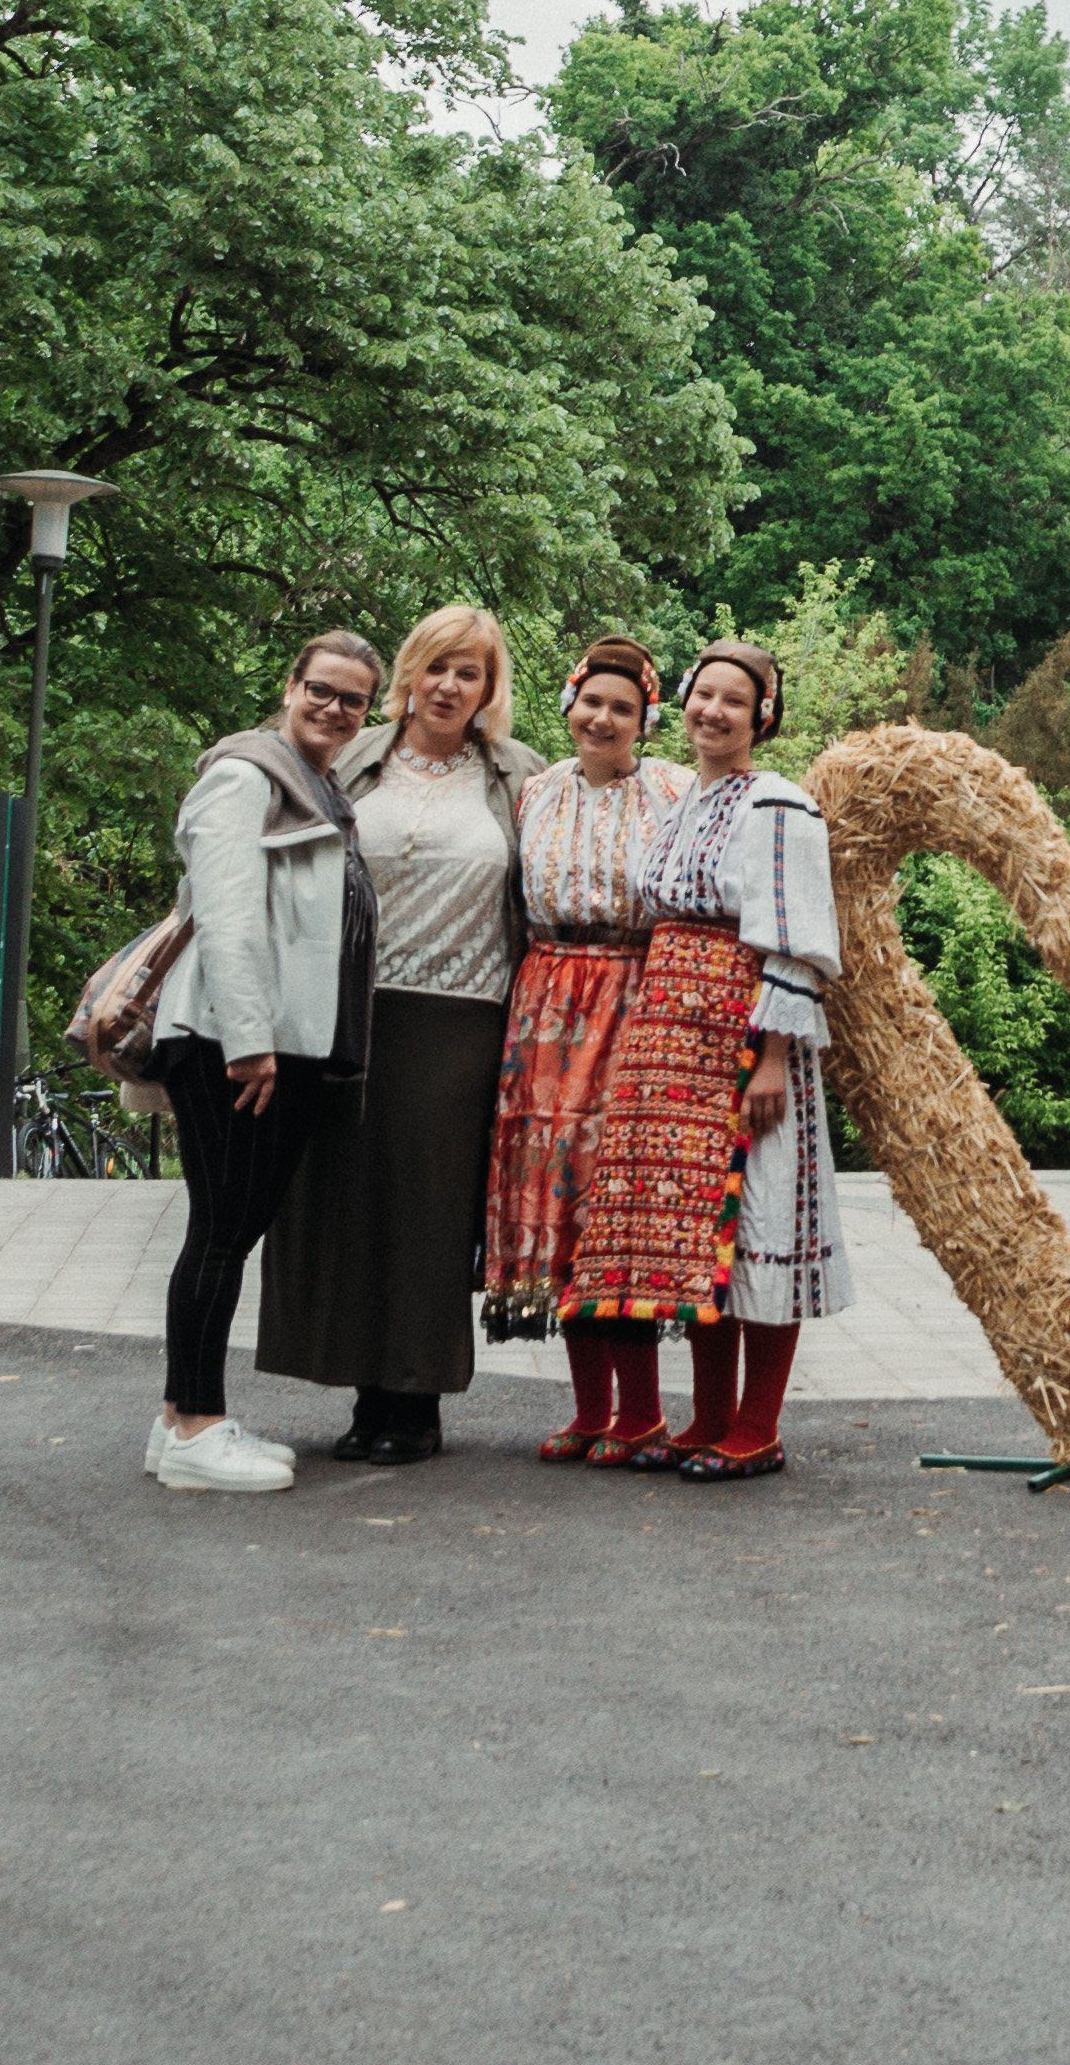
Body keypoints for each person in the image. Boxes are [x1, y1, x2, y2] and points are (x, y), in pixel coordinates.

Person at [551, 641, 843, 1483]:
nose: (713, 711)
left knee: (760, 1225)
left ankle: (759, 1424)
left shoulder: (778, 805)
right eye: (703, 695)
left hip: (746, 1034)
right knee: (696, 1240)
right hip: (669, 1030)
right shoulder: (685, 800)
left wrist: (773, 1058)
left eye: (734, 701)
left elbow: (795, 941)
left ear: (763, 718)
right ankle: (709, 1415)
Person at [257, 605, 531, 1465]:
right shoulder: (348, 760)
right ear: (410, 674)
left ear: (490, 690)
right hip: (343, 1004)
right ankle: (359, 1390)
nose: (450, 686)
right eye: (438, 668)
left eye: (471, 673)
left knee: (429, 1209)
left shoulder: (520, 777)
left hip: (461, 1017)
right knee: (338, 1197)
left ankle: (412, 1401)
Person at [138, 634, 383, 1494]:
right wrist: (249, 1043)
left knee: (223, 1230)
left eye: (352, 700)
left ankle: (178, 1423)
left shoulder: (317, 788)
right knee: (222, 1232)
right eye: (321, 690)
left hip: (273, 1045)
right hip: (230, 1042)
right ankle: (201, 1427)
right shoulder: (245, 778)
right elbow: (230, 915)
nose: (333, 709)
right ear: (290, 687)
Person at [490, 634, 692, 1464]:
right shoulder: (534, 792)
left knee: (617, 1203)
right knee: (556, 1194)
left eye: (622, 707)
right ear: (568, 704)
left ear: (644, 721)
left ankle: (639, 1412)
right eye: (591, 702)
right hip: (542, 1000)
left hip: (633, 994)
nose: (602, 718)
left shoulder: (674, 791)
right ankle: (587, 1409)